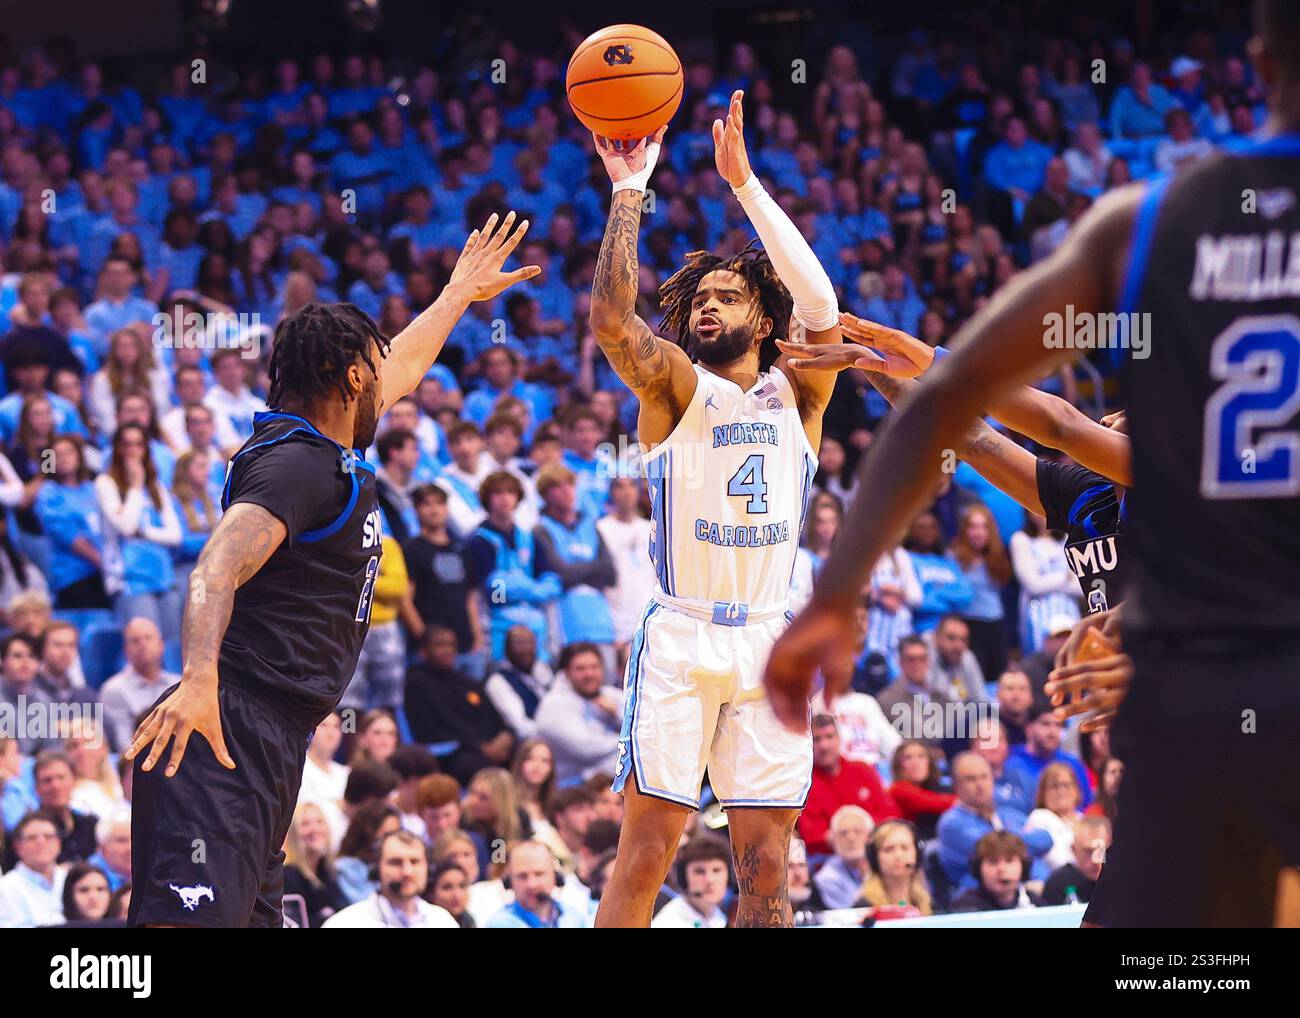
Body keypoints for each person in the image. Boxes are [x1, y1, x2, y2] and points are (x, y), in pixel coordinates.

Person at [770, 1, 1300, 929]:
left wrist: (837, 591)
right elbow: (973, 437)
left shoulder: (1153, 238)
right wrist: (884, 368)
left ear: (1258, 58)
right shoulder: (1088, 488)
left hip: (1201, 687)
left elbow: (1020, 408)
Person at [122, 212, 538, 927]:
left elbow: (403, 367)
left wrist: (457, 295)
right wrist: (197, 683)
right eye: (375, 370)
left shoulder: (318, 451)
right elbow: (213, 569)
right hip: (226, 729)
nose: (390, 380)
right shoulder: (297, 463)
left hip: (270, 740)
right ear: (351, 376)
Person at [590, 92, 843, 929]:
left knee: (766, 865)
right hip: (682, 636)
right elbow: (609, 320)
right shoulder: (673, 387)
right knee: (647, 854)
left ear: (763, 322)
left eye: (728, 296)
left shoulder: (799, 391)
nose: (707, 304)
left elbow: (822, 308)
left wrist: (745, 185)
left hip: (769, 636)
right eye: (700, 298)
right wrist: (632, 190)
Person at [402, 625, 514, 786]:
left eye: (451, 645)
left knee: (525, 757)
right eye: (440, 645)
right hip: (452, 755)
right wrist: (479, 748)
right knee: (480, 768)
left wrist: (505, 736)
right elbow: (429, 731)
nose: (447, 650)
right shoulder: (416, 683)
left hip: (487, 748)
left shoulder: (467, 683)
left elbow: (494, 718)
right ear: (423, 651)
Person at [402, 483, 486, 677]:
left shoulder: (462, 549)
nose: (434, 510)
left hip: (467, 646)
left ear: (447, 508)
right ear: (416, 510)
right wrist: (424, 639)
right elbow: (405, 600)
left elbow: (470, 598)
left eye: (439, 504)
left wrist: (478, 637)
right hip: (431, 650)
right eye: (427, 504)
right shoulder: (411, 549)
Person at [935, 752, 1053, 891]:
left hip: (1033, 890)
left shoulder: (1006, 814)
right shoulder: (951, 823)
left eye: (984, 777)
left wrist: (1010, 838)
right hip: (979, 900)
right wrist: (1021, 837)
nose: (980, 785)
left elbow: (1045, 839)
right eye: (971, 779)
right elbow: (997, 850)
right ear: (956, 785)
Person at [799, 714, 900, 855]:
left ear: (839, 739)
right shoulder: (804, 783)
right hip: (831, 858)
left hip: (876, 849)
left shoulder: (862, 769)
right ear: (808, 744)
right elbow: (812, 836)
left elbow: (890, 813)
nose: (824, 746)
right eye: (816, 739)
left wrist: (860, 833)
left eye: (829, 736)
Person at [322, 829, 458, 928]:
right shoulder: (344, 924)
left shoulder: (442, 920)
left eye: (415, 861)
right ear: (376, 869)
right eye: (396, 862)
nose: (407, 872)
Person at [534, 641, 623, 784]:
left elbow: (644, 728)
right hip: (567, 791)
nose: (589, 674)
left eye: (594, 667)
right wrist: (630, 741)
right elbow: (586, 747)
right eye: (580, 669)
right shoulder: (553, 705)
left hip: (608, 790)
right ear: (566, 673)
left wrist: (617, 715)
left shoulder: (611, 695)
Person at [98, 618, 179, 753]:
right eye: (135, 640)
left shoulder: (177, 684)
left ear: (162, 645)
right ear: (126, 650)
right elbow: (124, 746)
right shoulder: (114, 690)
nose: (143, 645)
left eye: (148, 638)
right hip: (136, 762)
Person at [1005, 704, 1092, 809]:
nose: (1052, 732)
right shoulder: (1011, 763)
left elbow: (1086, 806)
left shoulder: (1073, 765)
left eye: (1058, 725)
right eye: (1045, 724)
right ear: (1028, 728)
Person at [486, 839, 588, 928]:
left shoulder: (573, 917)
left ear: (556, 876)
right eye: (522, 876)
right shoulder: (500, 924)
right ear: (509, 882)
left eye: (539, 874)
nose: (531, 884)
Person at [281, 802, 348, 927]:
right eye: (305, 824)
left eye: (319, 822)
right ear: (294, 833)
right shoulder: (288, 876)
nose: (314, 829)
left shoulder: (327, 871)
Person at [483, 626, 554, 740]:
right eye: (520, 644)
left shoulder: (542, 669)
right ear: (507, 648)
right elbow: (521, 727)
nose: (527, 649)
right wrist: (557, 733)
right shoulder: (497, 681)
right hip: (530, 743)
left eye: (530, 643)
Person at [0, 811, 68, 927]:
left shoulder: (71, 878)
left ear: (59, 842)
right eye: (32, 838)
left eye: (48, 836)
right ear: (17, 846)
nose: (41, 842)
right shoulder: (6, 888)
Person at [948, 831, 1043, 913]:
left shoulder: (1034, 902)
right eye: (993, 862)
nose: (1001, 869)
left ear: (1024, 866)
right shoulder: (965, 907)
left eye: (1009, 861)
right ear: (978, 868)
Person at [854, 819, 932, 915]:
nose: (898, 856)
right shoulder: (864, 908)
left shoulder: (927, 903)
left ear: (917, 854)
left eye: (905, 848)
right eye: (888, 849)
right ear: (875, 858)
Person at [653, 835, 731, 928]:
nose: (709, 879)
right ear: (683, 878)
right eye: (699, 871)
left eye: (717, 870)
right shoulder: (669, 923)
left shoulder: (718, 917)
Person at [887, 739, 956, 841]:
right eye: (908, 758)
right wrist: (969, 800)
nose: (916, 763)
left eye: (921, 756)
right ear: (899, 765)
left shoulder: (933, 787)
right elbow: (934, 803)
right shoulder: (898, 789)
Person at [1024, 761, 1085, 872]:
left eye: (1066, 785)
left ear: (1076, 789)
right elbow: (1058, 860)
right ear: (1043, 793)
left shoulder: (1084, 819)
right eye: (1054, 786)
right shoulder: (1040, 817)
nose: (1061, 791)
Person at [810, 805, 874, 910]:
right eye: (843, 833)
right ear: (833, 841)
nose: (850, 837)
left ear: (870, 837)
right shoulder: (827, 878)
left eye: (857, 831)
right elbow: (851, 916)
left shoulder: (882, 865)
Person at [1041, 814, 1112, 906]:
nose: (1096, 860)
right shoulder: (1058, 884)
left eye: (1101, 850)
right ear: (1074, 850)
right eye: (1088, 851)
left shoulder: (1124, 881)